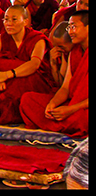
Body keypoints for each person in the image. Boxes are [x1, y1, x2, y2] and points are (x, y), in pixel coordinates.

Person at [0, 5, 56, 125]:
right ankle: (0, 104)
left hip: (31, 80)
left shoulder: (37, 39)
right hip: (2, 81)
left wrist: (7, 74)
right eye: (6, 19)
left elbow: (34, 64)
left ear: (25, 21)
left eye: (14, 19)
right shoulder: (2, 38)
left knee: (19, 72)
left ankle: (9, 107)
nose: (9, 23)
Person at [19, 10, 88, 138]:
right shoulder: (74, 52)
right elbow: (65, 87)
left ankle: (64, 123)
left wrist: (70, 110)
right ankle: (63, 122)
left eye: (74, 27)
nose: (70, 31)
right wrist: (53, 104)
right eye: (69, 27)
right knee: (27, 100)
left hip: (82, 107)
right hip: (71, 104)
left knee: (83, 118)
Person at [47, 21, 75, 87]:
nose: (58, 49)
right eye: (56, 46)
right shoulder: (65, 53)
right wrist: (53, 65)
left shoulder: (78, 53)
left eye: (61, 46)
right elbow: (61, 85)